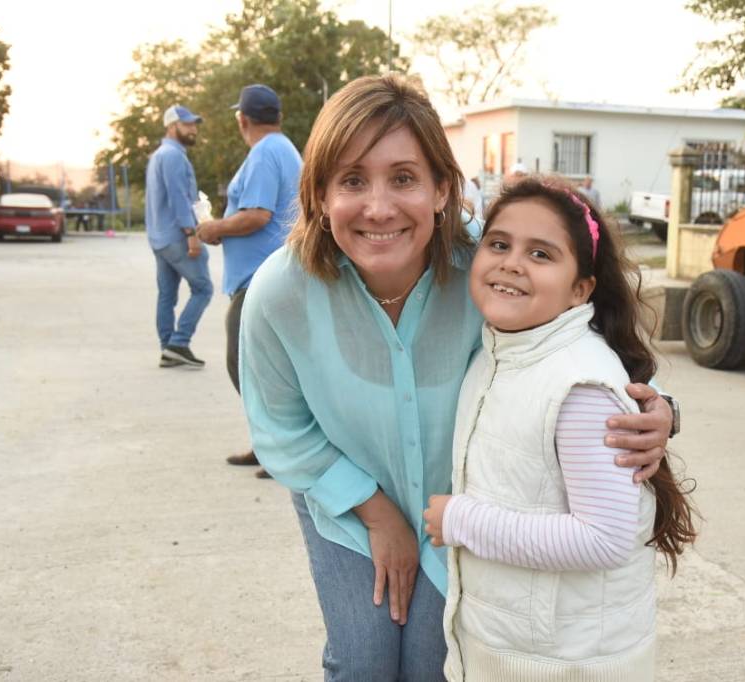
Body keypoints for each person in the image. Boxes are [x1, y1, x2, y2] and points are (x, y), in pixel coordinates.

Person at [239, 75, 676, 681]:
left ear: (443, 187)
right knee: (363, 660)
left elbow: (576, 337)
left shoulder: (492, 263)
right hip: (345, 500)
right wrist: (376, 512)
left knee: (433, 662)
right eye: (351, 180)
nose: (379, 207)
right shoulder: (280, 293)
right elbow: (280, 427)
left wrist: (658, 410)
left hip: (465, 510)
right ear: (317, 194)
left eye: (404, 178)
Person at [423, 177, 696, 680]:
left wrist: (461, 520)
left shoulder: (579, 385)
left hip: (563, 663)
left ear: (580, 289)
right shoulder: (501, 352)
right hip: (518, 646)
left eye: (541, 254)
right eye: (499, 244)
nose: (511, 262)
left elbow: (602, 538)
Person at [196, 84, 303, 479]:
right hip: (271, 274)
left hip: (261, 279)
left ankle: (281, 451)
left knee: (246, 366)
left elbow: (257, 214)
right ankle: (268, 447)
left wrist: (214, 228)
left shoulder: (264, 153)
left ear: (242, 119)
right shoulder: (285, 149)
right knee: (262, 369)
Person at [145, 104, 213, 368]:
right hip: (176, 236)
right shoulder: (173, 156)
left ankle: (167, 349)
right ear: (172, 126)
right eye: (188, 124)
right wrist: (191, 234)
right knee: (203, 288)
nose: (193, 129)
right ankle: (179, 342)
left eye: (194, 124)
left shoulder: (159, 155)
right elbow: (178, 197)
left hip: (159, 238)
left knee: (166, 295)